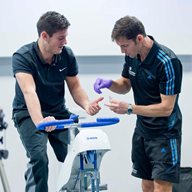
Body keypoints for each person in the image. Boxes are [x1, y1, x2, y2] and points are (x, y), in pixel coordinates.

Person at [12, 11, 103, 192]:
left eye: (66, 37)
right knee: (39, 157)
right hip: (29, 115)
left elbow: (75, 86)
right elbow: (29, 92)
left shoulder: (66, 55)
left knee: (78, 155)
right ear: (44, 36)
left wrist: (86, 104)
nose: (65, 42)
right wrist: (40, 122)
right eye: (61, 38)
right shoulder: (22, 57)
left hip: (59, 113)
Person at [94, 15, 182, 192]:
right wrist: (110, 83)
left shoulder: (167, 62)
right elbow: (126, 84)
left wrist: (129, 108)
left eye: (124, 46)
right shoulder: (132, 56)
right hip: (142, 130)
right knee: (147, 185)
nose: (122, 51)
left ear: (139, 39)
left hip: (164, 133)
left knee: (161, 187)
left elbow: (166, 108)